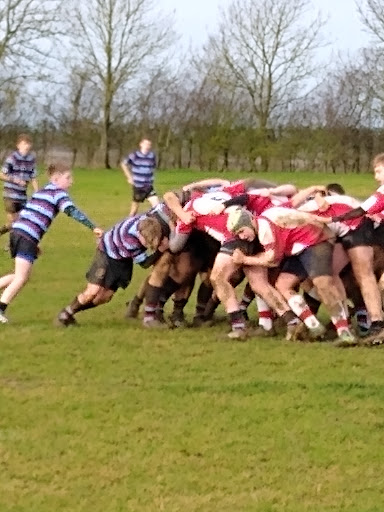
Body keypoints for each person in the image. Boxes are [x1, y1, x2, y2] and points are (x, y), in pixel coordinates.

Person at [0, 163, 103, 324]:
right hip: (26, 236)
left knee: (21, 275)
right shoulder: (58, 193)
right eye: (68, 178)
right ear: (56, 178)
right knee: (21, 277)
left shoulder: (42, 190)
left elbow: (27, 214)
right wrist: (93, 227)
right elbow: (71, 211)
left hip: (19, 234)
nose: (71, 181)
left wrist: (31, 242)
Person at [56, 215, 169, 326]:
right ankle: (66, 314)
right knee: (93, 291)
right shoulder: (130, 240)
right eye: (146, 242)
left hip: (121, 259)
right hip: (106, 252)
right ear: (139, 233)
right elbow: (144, 263)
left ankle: (70, 313)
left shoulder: (148, 222)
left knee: (104, 298)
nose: (148, 245)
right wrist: (161, 250)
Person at [0, 134, 39, 237]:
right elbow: (2, 174)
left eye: (28, 143)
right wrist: (14, 179)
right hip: (10, 194)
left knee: (20, 222)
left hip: (22, 195)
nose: (27, 146)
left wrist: (37, 192)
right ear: (18, 145)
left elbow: (33, 177)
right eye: (24, 143)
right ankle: (12, 244)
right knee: (14, 221)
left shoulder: (31, 159)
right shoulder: (12, 158)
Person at [121, 138, 159, 217]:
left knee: (157, 206)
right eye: (146, 144)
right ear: (141, 144)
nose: (147, 146)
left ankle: (153, 223)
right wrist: (129, 177)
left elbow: (152, 168)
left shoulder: (152, 156)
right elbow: (124, 164)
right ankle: (127, 224)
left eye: (149, 145)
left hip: (149, 187)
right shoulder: (135, 155)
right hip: (138, 186)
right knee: (134, 211)